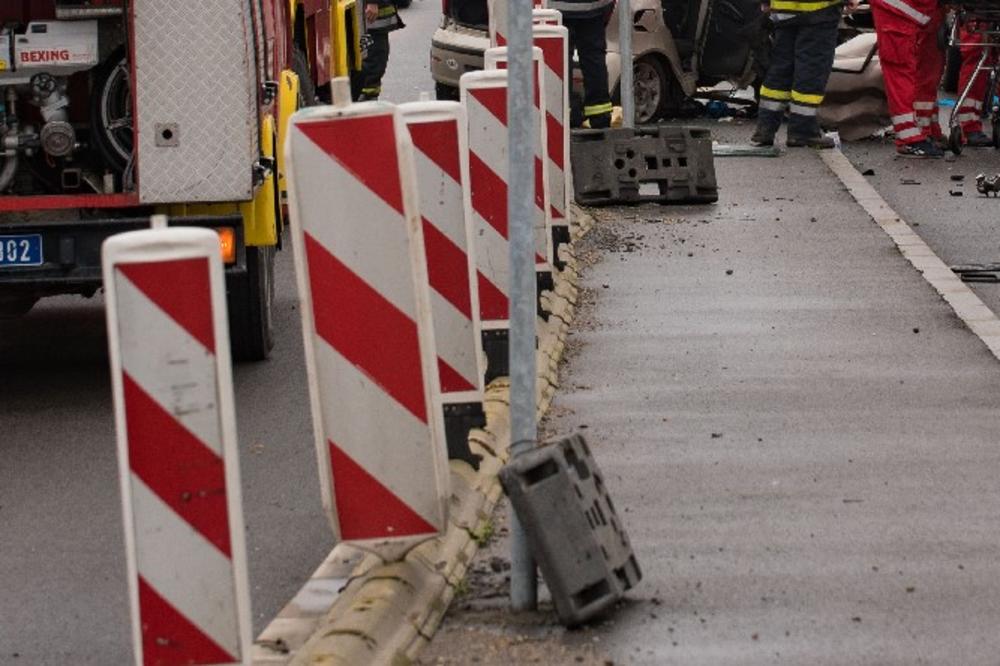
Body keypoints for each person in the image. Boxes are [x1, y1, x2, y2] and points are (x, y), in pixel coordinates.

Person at [750, 0, 848, 148]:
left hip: (784, 10)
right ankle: (802, 131)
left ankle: (765, 128)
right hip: (819, 11)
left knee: (781, 68)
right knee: (811, 70)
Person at [869, 0, 945, 157]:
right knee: (900, 68)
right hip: (899, 8)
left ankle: (924, 128)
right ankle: (909, 138)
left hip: (915, 8)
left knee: (926, 63)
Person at [549, 0, 614, 129]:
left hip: (556, 8)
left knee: (560, 60)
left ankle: (561, 114)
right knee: (594, 60)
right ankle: (600, 116)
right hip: (595, 8)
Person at [954, 21, 995, 147]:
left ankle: (970, 127)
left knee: (982, 61)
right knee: (977, 59)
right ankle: (969, 127)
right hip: (979, 15)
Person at [353, 0, 404, 101]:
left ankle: (367, 94)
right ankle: (365, 95)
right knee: (373, 55)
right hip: (369, 14)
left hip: (369, 14)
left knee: (374, 54)